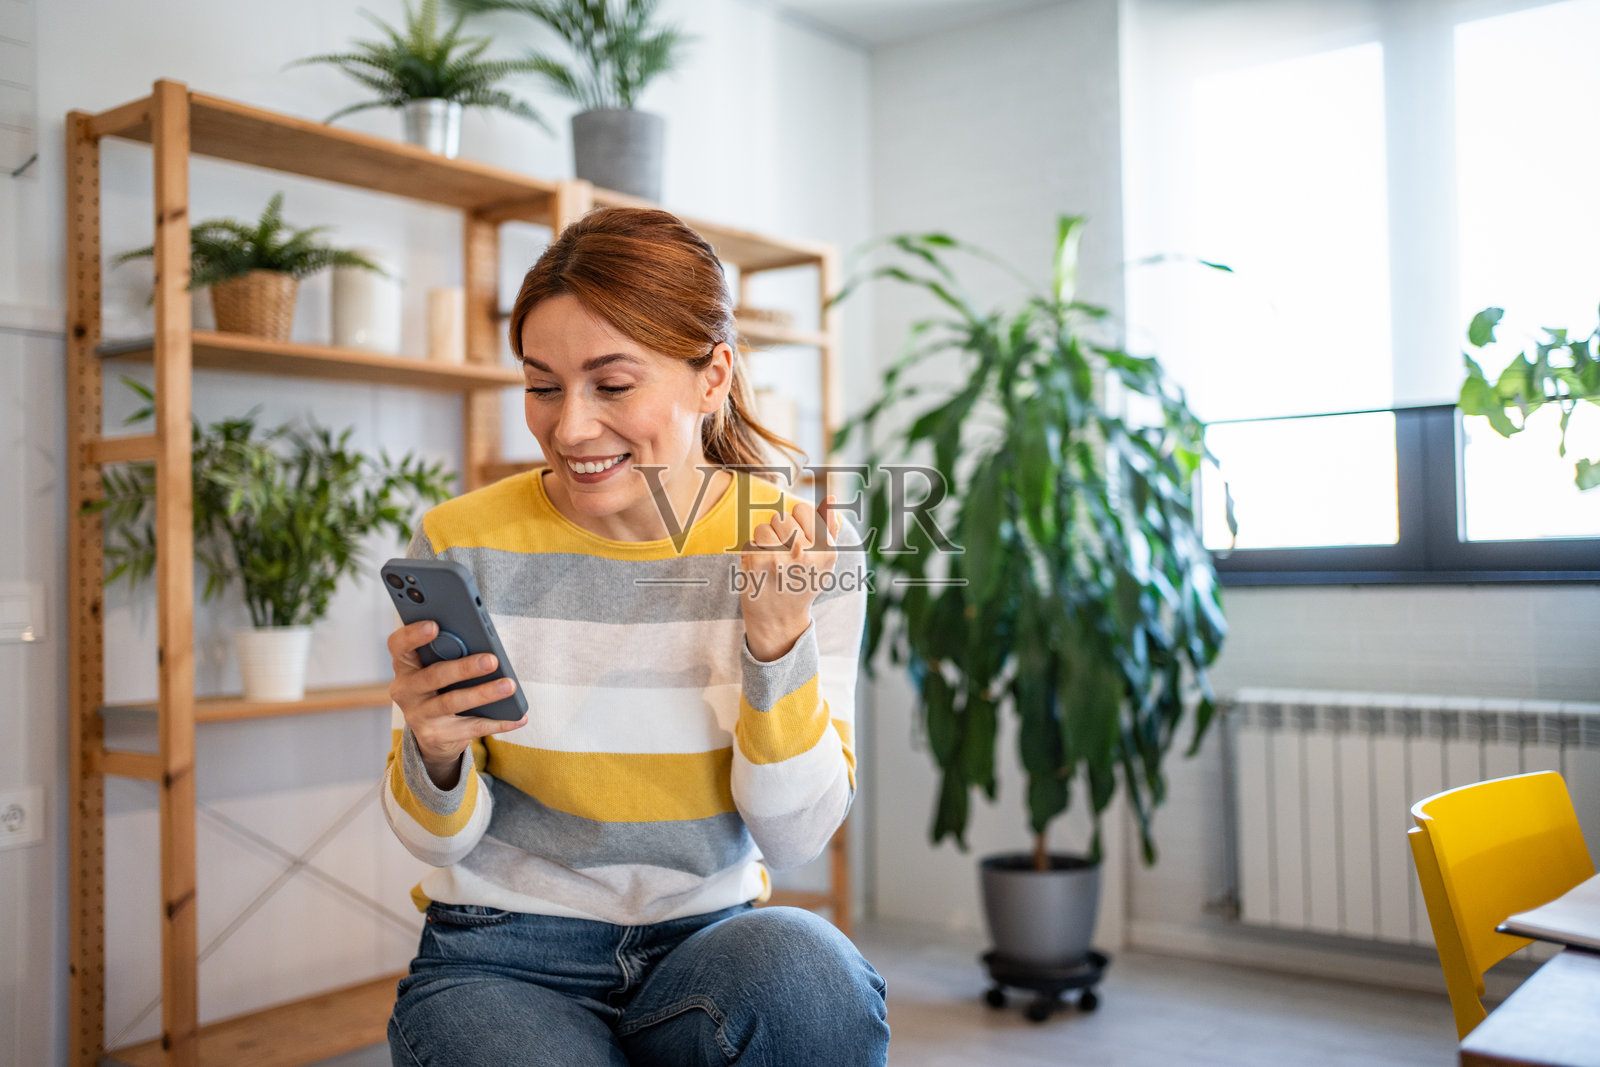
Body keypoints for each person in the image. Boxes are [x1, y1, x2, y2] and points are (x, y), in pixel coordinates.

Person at [380, 206, 889, 1067]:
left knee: (811, 974)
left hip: (708, 942)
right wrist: (432, 752)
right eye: (543, 386)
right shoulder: (463, 542)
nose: (569, 427)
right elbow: (437, 840)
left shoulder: (796, 544)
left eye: (612, 385)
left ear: (713, 376)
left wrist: (774, 649)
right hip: (501, 951)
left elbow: (797, 837)